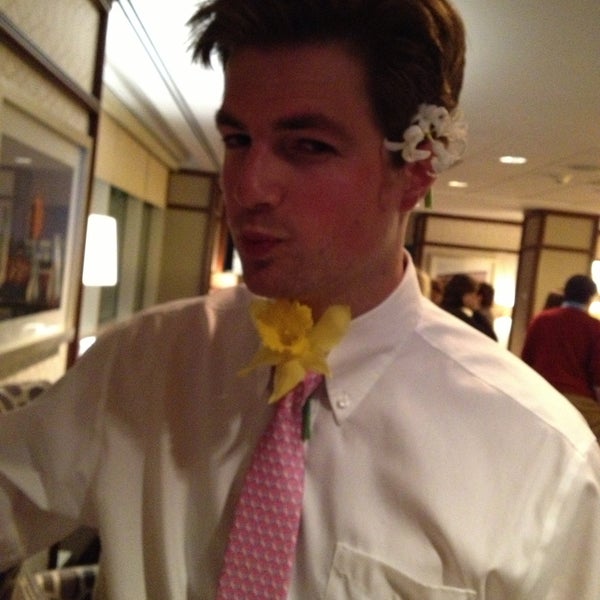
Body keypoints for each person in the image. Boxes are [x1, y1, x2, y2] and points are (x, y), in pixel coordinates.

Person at [1, 1, 600, 598]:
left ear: (417, 169)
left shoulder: (540, 459)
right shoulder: (143, 362)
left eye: (308, 146)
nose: (246, 187)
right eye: (237, 139)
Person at [522, 274, 600, 441]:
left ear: (565, 292)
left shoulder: (541, 320)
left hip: (540, 393)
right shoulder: (594, 327)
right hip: (578, 400)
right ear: (590, 297)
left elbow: (526, 361)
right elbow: (597, 377)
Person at [440, 273, 498, 340]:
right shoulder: (459, 316)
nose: (477, 298)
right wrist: (476, 311)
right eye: (474, 293)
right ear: (465, 296)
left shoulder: (445, 311)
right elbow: (491, 337)